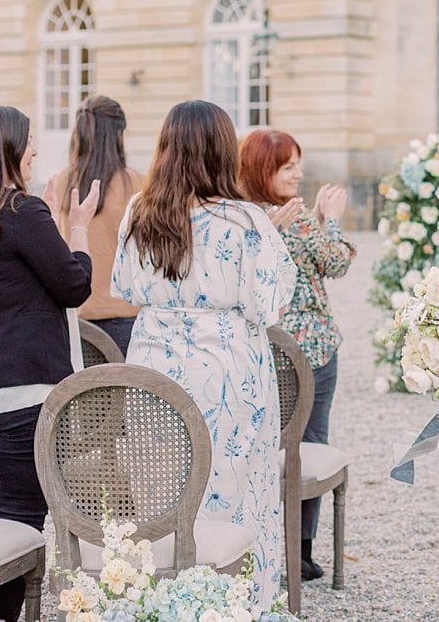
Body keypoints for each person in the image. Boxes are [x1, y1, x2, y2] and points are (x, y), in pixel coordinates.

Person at [112, 100, 297, 604]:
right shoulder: (245, 220)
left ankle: (163, 603)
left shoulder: (139, 211)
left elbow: (125, 286)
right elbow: (271, 302)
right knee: (238, 497)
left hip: (153, 371)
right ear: (222, 151)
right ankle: (236, 604)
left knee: (161, 493)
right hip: (228, 372)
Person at [0, 104, 97, 622]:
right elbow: (73, 285)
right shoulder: (20, 211)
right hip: (22, 393)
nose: (34, 150)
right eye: (28, 141)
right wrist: (76, 228)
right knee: (22, 516)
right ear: (6, 148)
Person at [238, 128, 356, 581]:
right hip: (313, 352)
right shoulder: (298, 217)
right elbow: (337, 262)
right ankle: (300, 551)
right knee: (309, 446)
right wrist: (332, 218)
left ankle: (262, 542)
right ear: (264, 170)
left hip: (260, 349)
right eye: (288, 167)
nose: (299, 174)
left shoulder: (241, 215)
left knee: (262, 447)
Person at [47, 95, 142, 354]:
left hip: (77, 319)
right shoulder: (136, 184)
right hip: (127, 316)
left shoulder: (61, 182)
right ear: (118, 136)